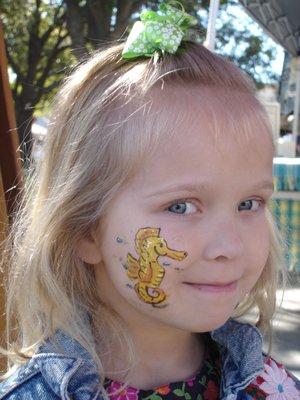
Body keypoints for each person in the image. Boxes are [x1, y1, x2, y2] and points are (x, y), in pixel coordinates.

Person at [0, 3, 299, 400]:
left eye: (249, 204)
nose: (230, 246)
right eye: (181, 206)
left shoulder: (273, 388)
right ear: (85, 229)